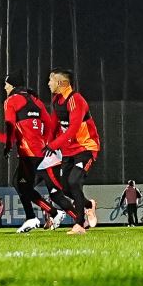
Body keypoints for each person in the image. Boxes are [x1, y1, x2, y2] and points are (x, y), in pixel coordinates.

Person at [0, 76, 60, 233]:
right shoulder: (36, 101)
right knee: (22, 184)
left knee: (21, 185)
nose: (5, 88)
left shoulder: (11, 100)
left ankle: (49, 214)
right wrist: (46, 142)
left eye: (6, 84)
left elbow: (10, 125)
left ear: (13, 85)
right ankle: (42, 215)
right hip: (40, 152)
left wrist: (8, 146)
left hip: (28, 152)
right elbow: (50, 125)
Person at [44, 68, 102, 233]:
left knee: (74, 182)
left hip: (86, 147)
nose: (48, 83)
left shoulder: (76, 100)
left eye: (51, 80)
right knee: (65, 188)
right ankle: (89, 205)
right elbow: (54, 125)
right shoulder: (57, 100)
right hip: (68, 151)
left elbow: (72, 130)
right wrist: (48, 143)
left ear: (61, 83)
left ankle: (79, 224)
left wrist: (53, 145)